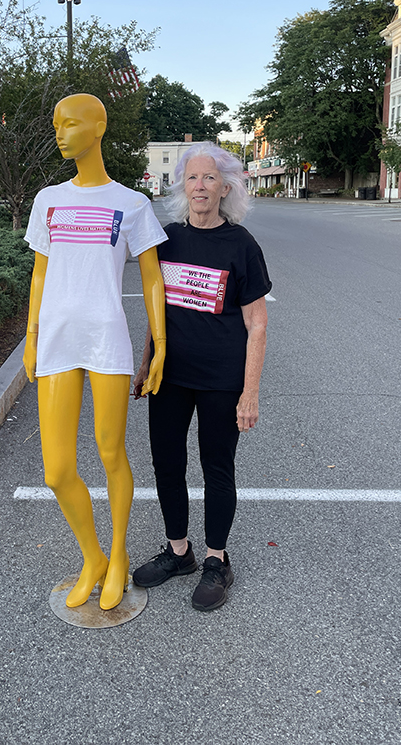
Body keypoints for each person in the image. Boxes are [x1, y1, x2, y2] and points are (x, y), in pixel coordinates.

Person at [23, 93, 167, 611]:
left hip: (106, 340)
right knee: (57, 469)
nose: (60, 132)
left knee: (110, 454)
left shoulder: (130, 203)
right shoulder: (48, 200)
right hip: (58, 340)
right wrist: (32, 334)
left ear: (98, 126)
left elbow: (153, 277)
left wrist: (160, 345)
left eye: (70, 122)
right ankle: (92, 557)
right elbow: (40, 272)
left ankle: (121, 555)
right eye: (56, 123)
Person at [132, 142, 271, 611]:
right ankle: (179, 552)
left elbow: (257, 323)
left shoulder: (241, 244)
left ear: (226, 187)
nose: (200, 186)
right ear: (181, 187)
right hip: (170, 377)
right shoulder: (167, 239)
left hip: (220, 378)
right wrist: (146, 361)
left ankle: (216, 560)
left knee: (217, 468)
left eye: (210, 178)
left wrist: (249, 392)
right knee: (167, 464)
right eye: (192, 178)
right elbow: (157, 310)